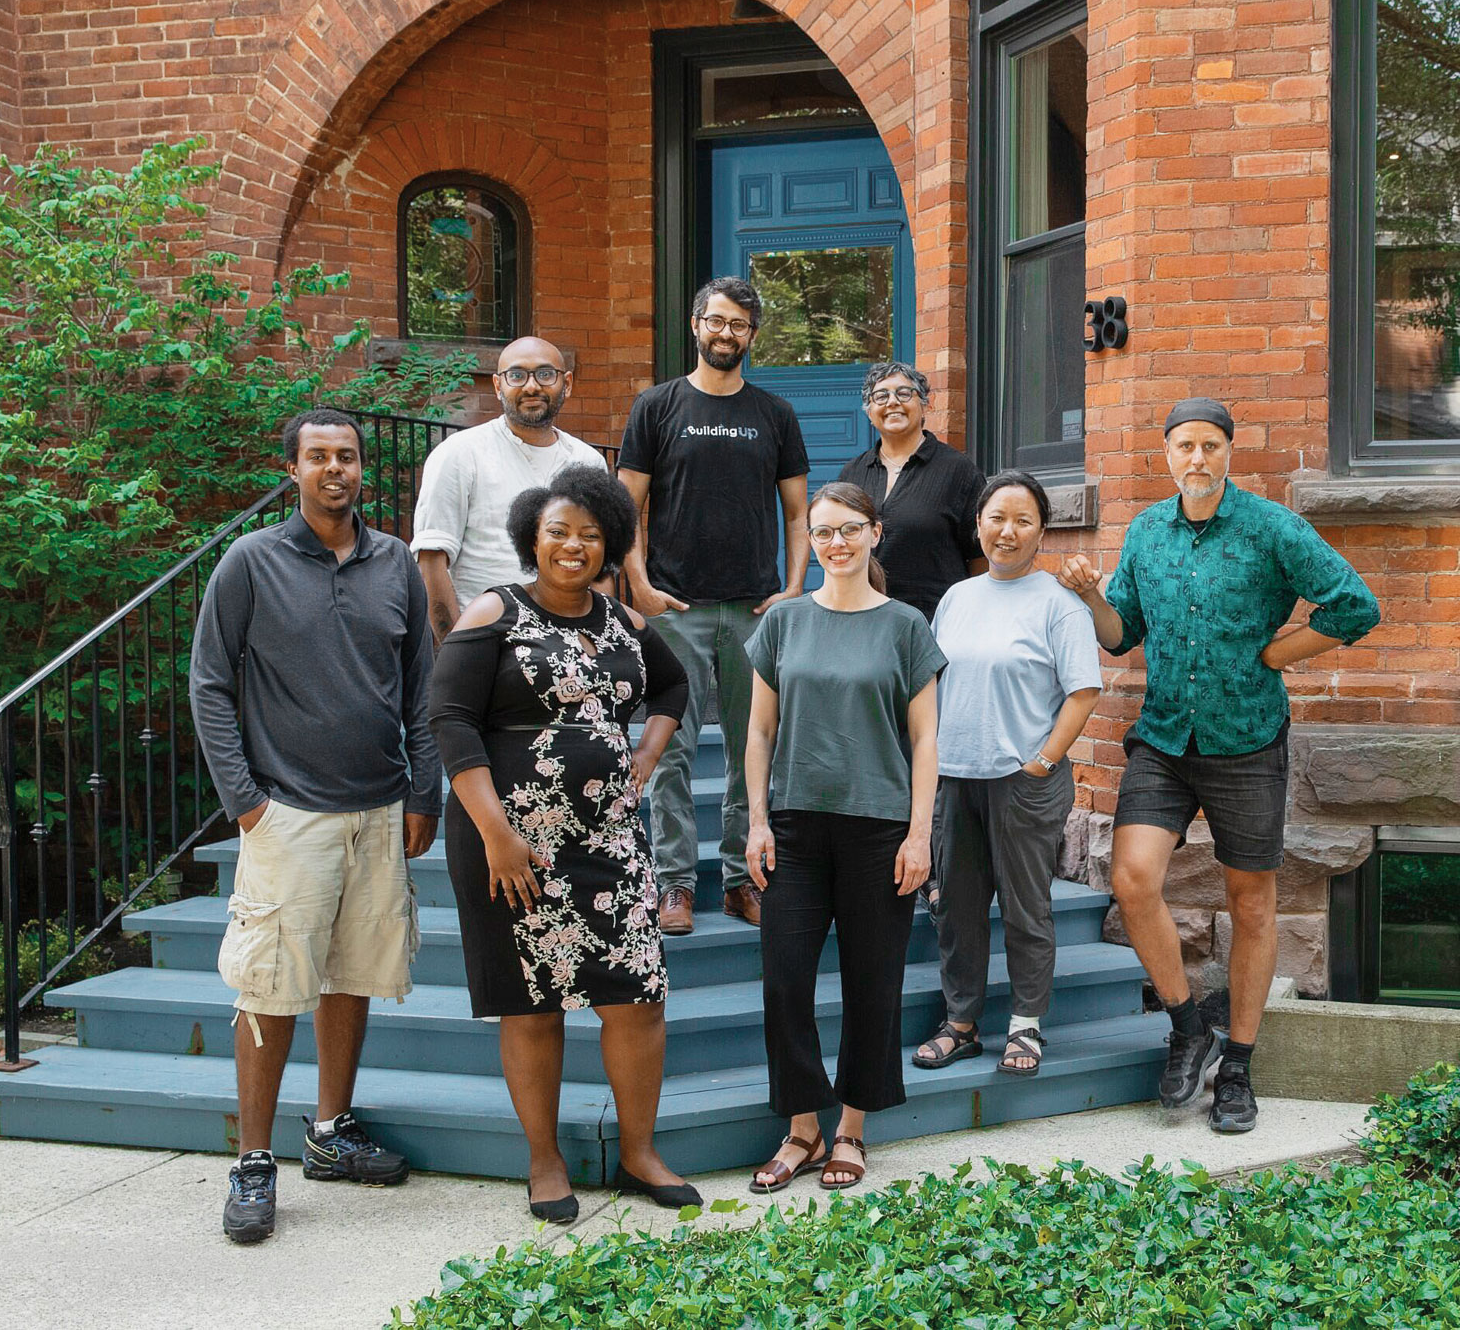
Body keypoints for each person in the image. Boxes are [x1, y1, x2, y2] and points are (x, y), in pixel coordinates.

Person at [1057, 398, 1380, 1135]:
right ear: (1164, 455)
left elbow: (1354, 605)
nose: (1196, 458)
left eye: (1209, 445)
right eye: (1183, 446)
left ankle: (1237, 1062)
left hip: (1246, 741)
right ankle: (1185, 1026)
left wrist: (1280, 652)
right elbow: (1119, 636)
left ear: (1229, 451)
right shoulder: (1146, 532)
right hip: (1166, 740)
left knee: (1252, 903)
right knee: (1132, 877)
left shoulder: (1272, 528)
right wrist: (1088, 595)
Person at [189, 408, 443, 1245]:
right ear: (292, 468)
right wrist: (246, 801)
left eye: (348, 456)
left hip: (378, 809)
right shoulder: (251, 561)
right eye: (318, 456)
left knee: (350, 974)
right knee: (268, 984)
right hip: (287, 812)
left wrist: (422, 793)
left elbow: (420, 690)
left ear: (365, 468)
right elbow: (210, 684)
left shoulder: (395, 561)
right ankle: (254, 1162)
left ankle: (330, 1132)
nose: (336, 468)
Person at [428, 463, 700, 1221]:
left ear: (611, 541)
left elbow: (673, 687)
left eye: (590, 533)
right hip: (511, 840)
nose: (574, 545)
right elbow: (450, 721)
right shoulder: (495, 611)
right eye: (558, 531)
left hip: (609, 839)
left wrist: (646, 754)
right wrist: (497, 834)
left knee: (637, 996)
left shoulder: (623, 621)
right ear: (532, 539)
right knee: (533, 1004)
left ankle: (639, 1152)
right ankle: (544, 1161)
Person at [741, 481, 946, 1193]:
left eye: (849, 529)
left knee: (872, 982)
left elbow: (925, 740)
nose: (836, 543)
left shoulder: (906, 626)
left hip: (880, 827)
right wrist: (757, 820)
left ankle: (852, 1128)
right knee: (786, 978)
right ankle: (803, 1128)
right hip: (795, 824)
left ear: (874, 533)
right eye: (823, 531)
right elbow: (759, 730)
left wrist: (920, 833)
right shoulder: (783, 622)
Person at [618, 276, 810, 934]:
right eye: (718, 321)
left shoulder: (776, 413)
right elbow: (626, 508)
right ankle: (673, 884)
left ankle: (738, 879)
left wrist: (793, 587)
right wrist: (639, 586)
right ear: (696, 323)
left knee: (751, 747)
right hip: (678, 608)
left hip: (755, 610)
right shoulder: (656, 406)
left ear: (752, 336)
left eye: (741, 325)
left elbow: (797, 511)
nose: (728, 334)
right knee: (669, 748)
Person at [914, 471, 1100, 1078]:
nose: (1008, 531)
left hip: (1025, 781)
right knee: (958, 909)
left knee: (1026, 908)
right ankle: (961, 1024)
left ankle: (1026, 1024)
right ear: (978, 525)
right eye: (996, 518)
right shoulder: (958, 598)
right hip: (955, 777)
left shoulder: (1059, 604)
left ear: (1042, 530)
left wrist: (1042, 760)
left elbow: (1082, 693)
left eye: (1023, 520)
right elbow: (934, 684)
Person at [412, 336, 606, 644]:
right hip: (488, 643)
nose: (531, 386)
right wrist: (456, 650)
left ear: (567, 383)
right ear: (497, 385)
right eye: (516, 375)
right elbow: (432, 560)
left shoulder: (587, 461)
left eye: (545, 374)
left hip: (571, 647)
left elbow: (599, 564)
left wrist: (597, 642)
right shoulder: (461, 454)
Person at [835, 362, 985, 619]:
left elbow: (980, 558)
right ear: (869, 412)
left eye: (904, 393)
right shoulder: (852, 474)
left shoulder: (958, 472)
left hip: (936, 622)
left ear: (924, 404)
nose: (892, 402)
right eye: (880, 396)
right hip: (864, 620)